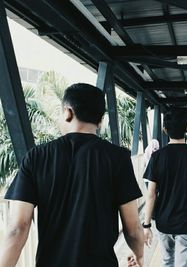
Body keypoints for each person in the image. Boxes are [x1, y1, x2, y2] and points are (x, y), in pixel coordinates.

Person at [0, 83, 144, 267]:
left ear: (68, 112)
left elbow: (17, 228)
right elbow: (133, 229)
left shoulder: (37, 157)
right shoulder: (118, 158)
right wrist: (139, 256)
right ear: (100, 120)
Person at [142, 111, 187, 267]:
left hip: (164, 221)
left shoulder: (157, 157)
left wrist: (147, 225)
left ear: (165, 130)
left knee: (167, 261)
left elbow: (151, 195)